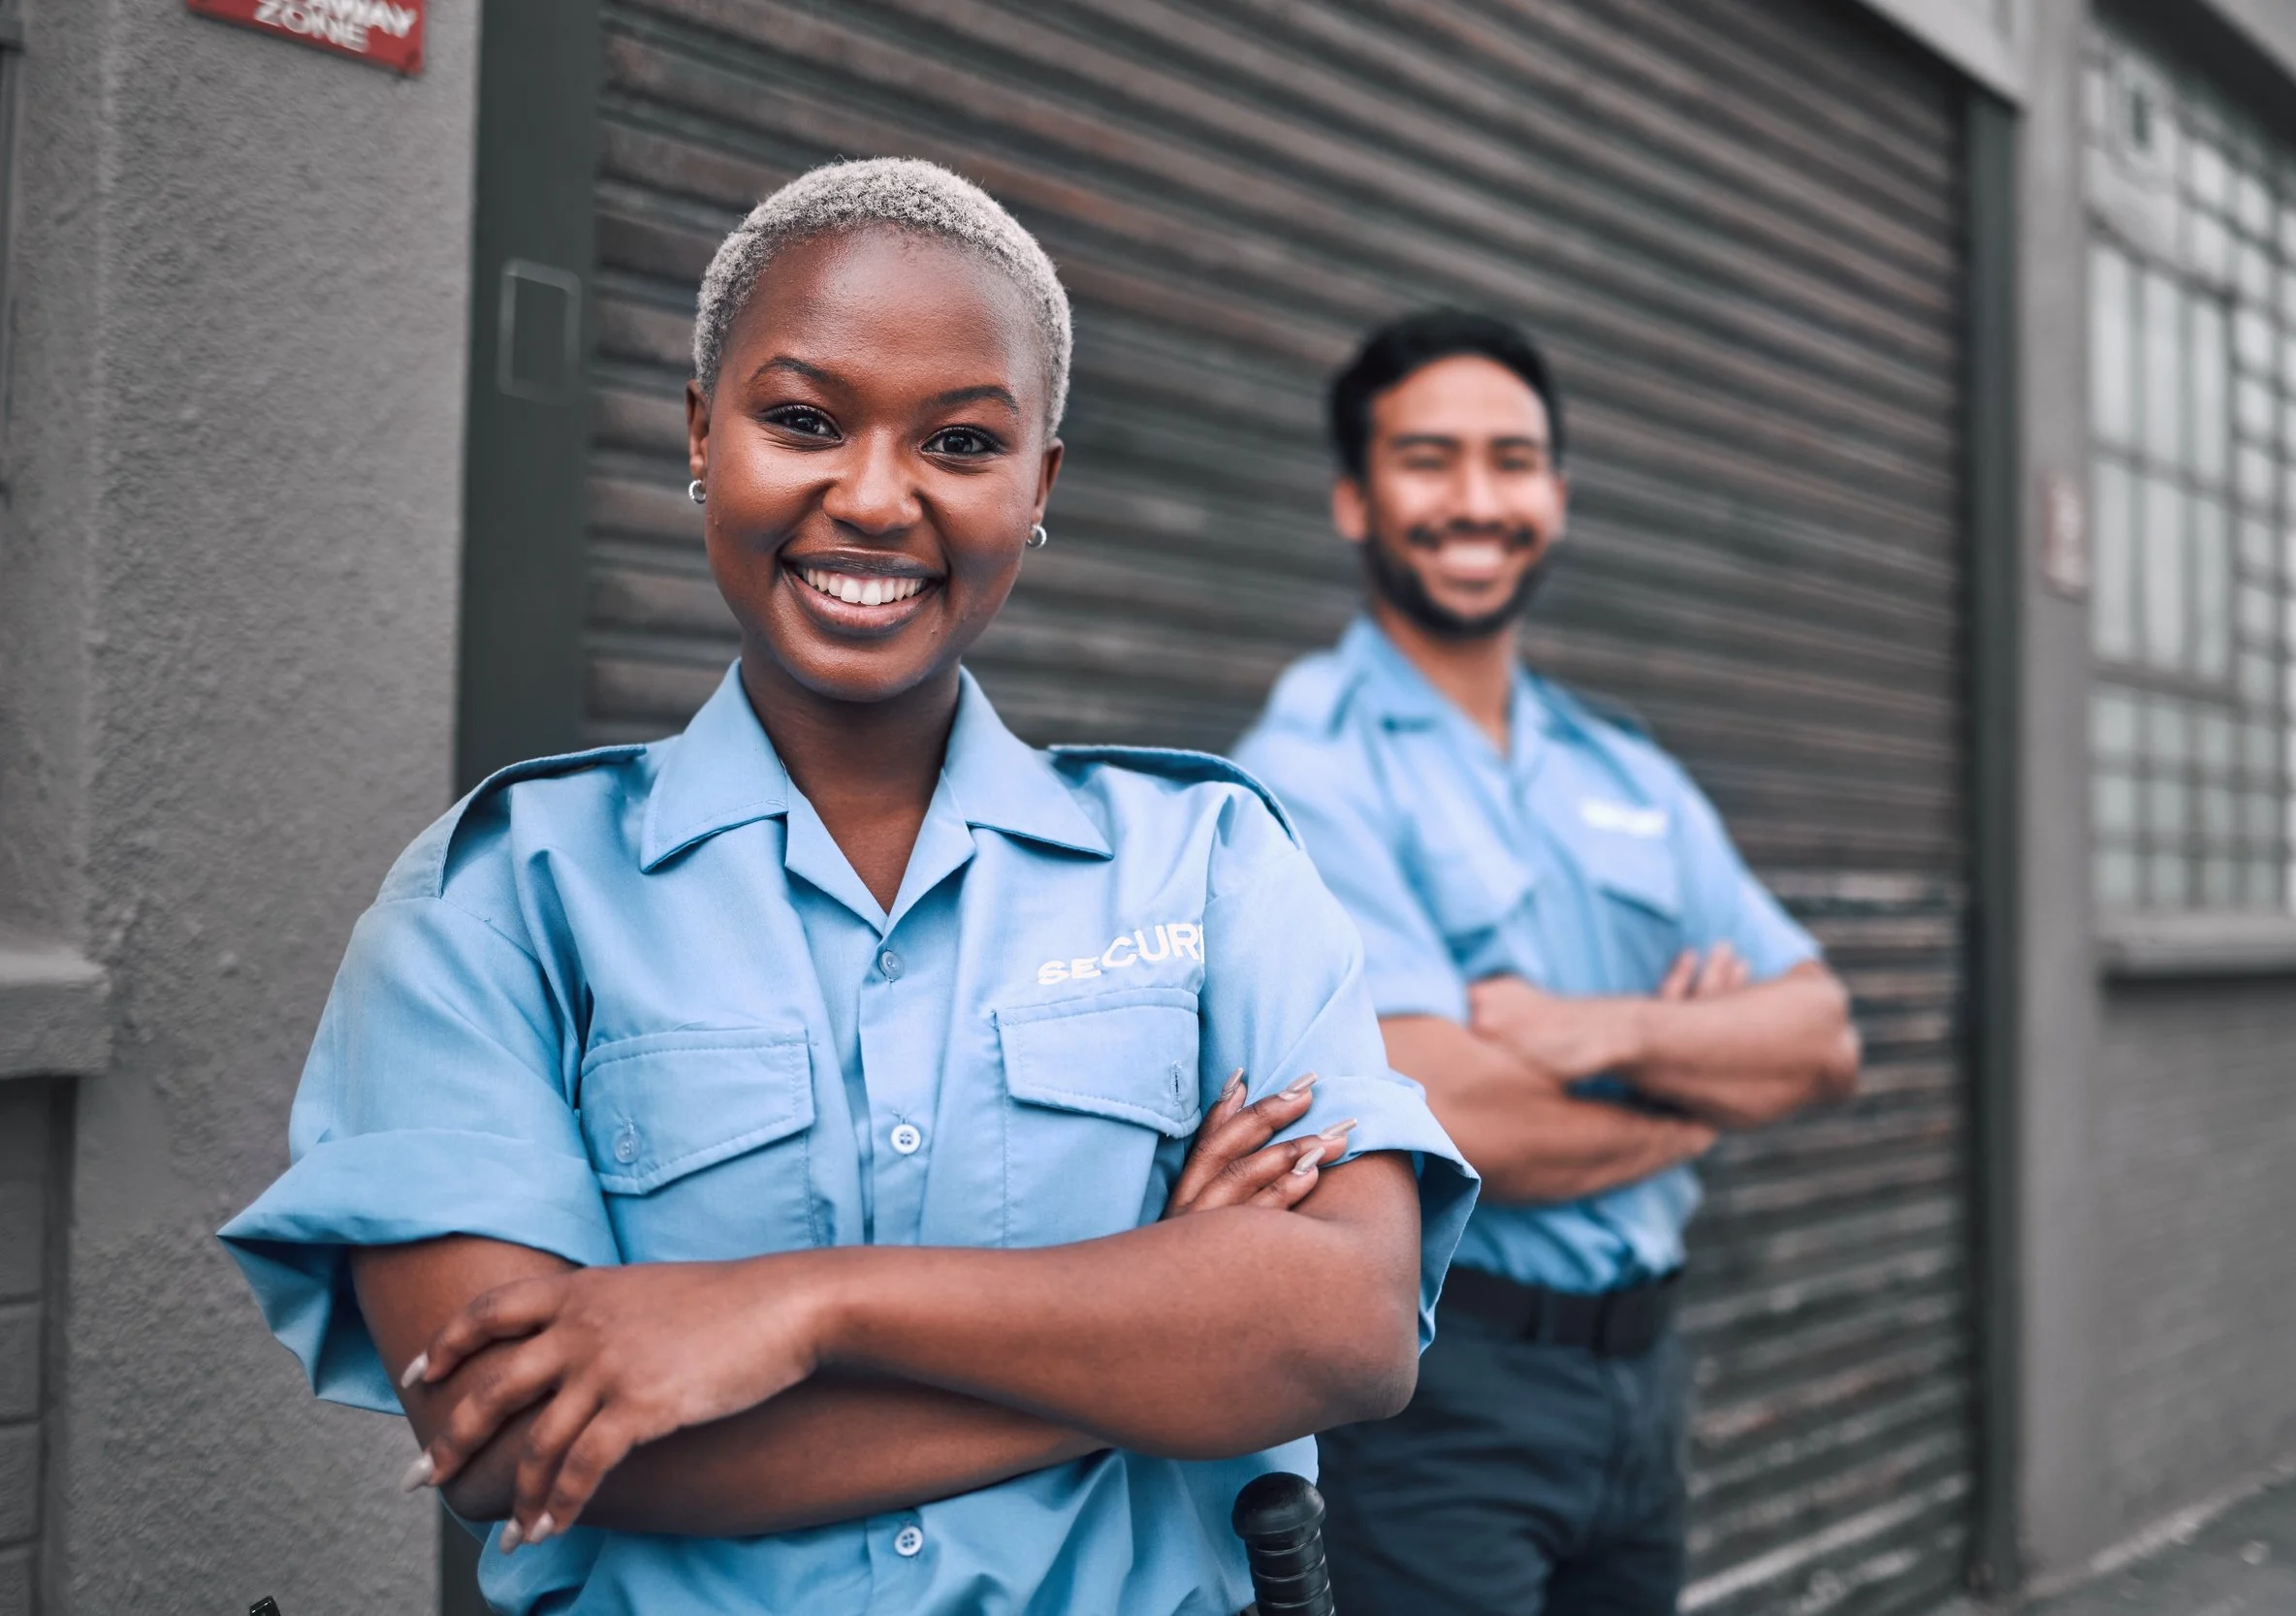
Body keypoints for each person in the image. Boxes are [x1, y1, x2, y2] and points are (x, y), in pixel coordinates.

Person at [220, 160, 1474, 1616]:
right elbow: (513, 1434)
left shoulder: (1211, 862)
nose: (876, 498)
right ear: (702, 433)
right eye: (803, 421)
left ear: (1039, 484)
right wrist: (1166, 1328)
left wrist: (799, 1310)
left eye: (960, 440)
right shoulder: (500, 904)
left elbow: (1354, 1328)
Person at [1233, 308, 1862, 1615]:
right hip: (1441, 1403)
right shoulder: (1312, 767)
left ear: (1557, 496)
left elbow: (1821, 1038)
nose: (1477, 499)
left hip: (1645, 1389)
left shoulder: (1624, 766)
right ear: (1356, 498)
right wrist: (1704, 1086)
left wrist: (1605, 1035)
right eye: (1430, 459)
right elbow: (1460, 1117)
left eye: (1513, 460)